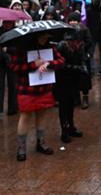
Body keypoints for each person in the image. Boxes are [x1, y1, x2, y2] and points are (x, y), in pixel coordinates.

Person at [9, 32, 64, 161]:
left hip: (44, 88)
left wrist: (49, 64)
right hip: (26, 89)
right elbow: (14, 67)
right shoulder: (22, 49)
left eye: (46, 38)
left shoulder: (51, 48)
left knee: (42, 114)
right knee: (25, 116)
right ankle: (21, 146)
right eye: (41, 38)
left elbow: (61, 61)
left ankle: (41, 142)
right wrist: (33, 64)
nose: (44, 40)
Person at [55, 28, 88, 143]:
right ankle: (64, 131)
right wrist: (76, 68)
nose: (77, 43)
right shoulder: (62, 47)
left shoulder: (78, 47)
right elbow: (60, 65)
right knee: (63, 107)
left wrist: (83, 65)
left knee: (71, 105)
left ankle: (71, 127)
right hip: (62, 81)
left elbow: (82, 59)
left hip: (73, 80)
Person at [0, 20, 19, 120]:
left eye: (9, 22)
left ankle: (13, 108)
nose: (7, 24)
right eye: (5, 22)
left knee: (13, 84)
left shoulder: (16, 32)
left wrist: (8, 49)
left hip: (12, 61)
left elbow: (18, 48)